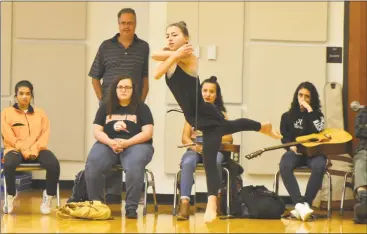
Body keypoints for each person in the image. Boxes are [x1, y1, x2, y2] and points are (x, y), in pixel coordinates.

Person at [152, 21, 282, 222]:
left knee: (212, 158)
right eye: (167, 35)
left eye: (175, 35)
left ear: (186, 39)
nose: (170, 38)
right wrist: (174, 54)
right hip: (195, 117)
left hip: (206, 115)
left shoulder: (188, 55)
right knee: (231, 125)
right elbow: (154, 57)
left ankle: (212, 202)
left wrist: (175, 54)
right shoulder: (175, 56)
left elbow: (157, 72)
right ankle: (262, 126)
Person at [88, 8, 150, 204]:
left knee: (130, 150)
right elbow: (95, 77)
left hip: (133, 109)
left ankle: (128, 201)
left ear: (135, 24)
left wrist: (139, 103)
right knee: (108, 147)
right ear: (118, 24)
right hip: (110, 109)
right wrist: (103, 102)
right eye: (123, 23)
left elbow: (145, 77)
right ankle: (110, 197)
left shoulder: (143, 47)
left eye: (130, 23)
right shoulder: (106, 46)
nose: (126, 26)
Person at [84, 77, 154, 219]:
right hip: (108, 143)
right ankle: (97, 206)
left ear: (133, 90)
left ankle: (131, 208)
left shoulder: (142, 108)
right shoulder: (105, 106)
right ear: (115, 89)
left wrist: (127, 143)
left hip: (136, 144)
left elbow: (147, 133)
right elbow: (97, 131)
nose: (123, 90)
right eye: (120, 87)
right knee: (93, 162)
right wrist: (111, 142)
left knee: (134, 165)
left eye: (127, 87)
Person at [177, 76, 233, 220]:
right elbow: (185, 137)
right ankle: (184, 204)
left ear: (216, 95)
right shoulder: (192, 113)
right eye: (205, 91)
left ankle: (215, 202)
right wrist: (196, 147)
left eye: (211, 92)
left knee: (215, 161)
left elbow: (229, 138)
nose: (207, 94)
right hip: (195, 149)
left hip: (214, 149)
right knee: (188, 162)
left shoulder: (221, 114)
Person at [1, 80, 60, 214]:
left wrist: (34, 150)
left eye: (28, 94)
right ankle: (10, 195)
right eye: (21, 93)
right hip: (15, 149)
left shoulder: (40, 113)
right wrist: (24, 149)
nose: (24, 96)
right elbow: (7, 135)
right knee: (9, 164)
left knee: (53, 164)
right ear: (15, 95)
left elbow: (44, 134)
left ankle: (48, 196)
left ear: (32, 96)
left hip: (38, 149)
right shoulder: (7, 112)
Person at [279, 81, 326, 222]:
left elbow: (319, 130)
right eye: (301, 95)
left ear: (312, 99)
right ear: (296, 96)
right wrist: (289, 146)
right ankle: (299, 203)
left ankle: (306, 203)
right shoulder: (287, 116)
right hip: (295, 152)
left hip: (313, 153)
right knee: (284, 165)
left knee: (320, 166)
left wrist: (310, 111)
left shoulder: (318, 115)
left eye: (307, 96)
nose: (303, 99)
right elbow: (284, 137)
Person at [353, 107, 367, 224]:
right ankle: (364, 199)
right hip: (364, 150)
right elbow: (358, 131)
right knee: (360, 162)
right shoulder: (363, 113)